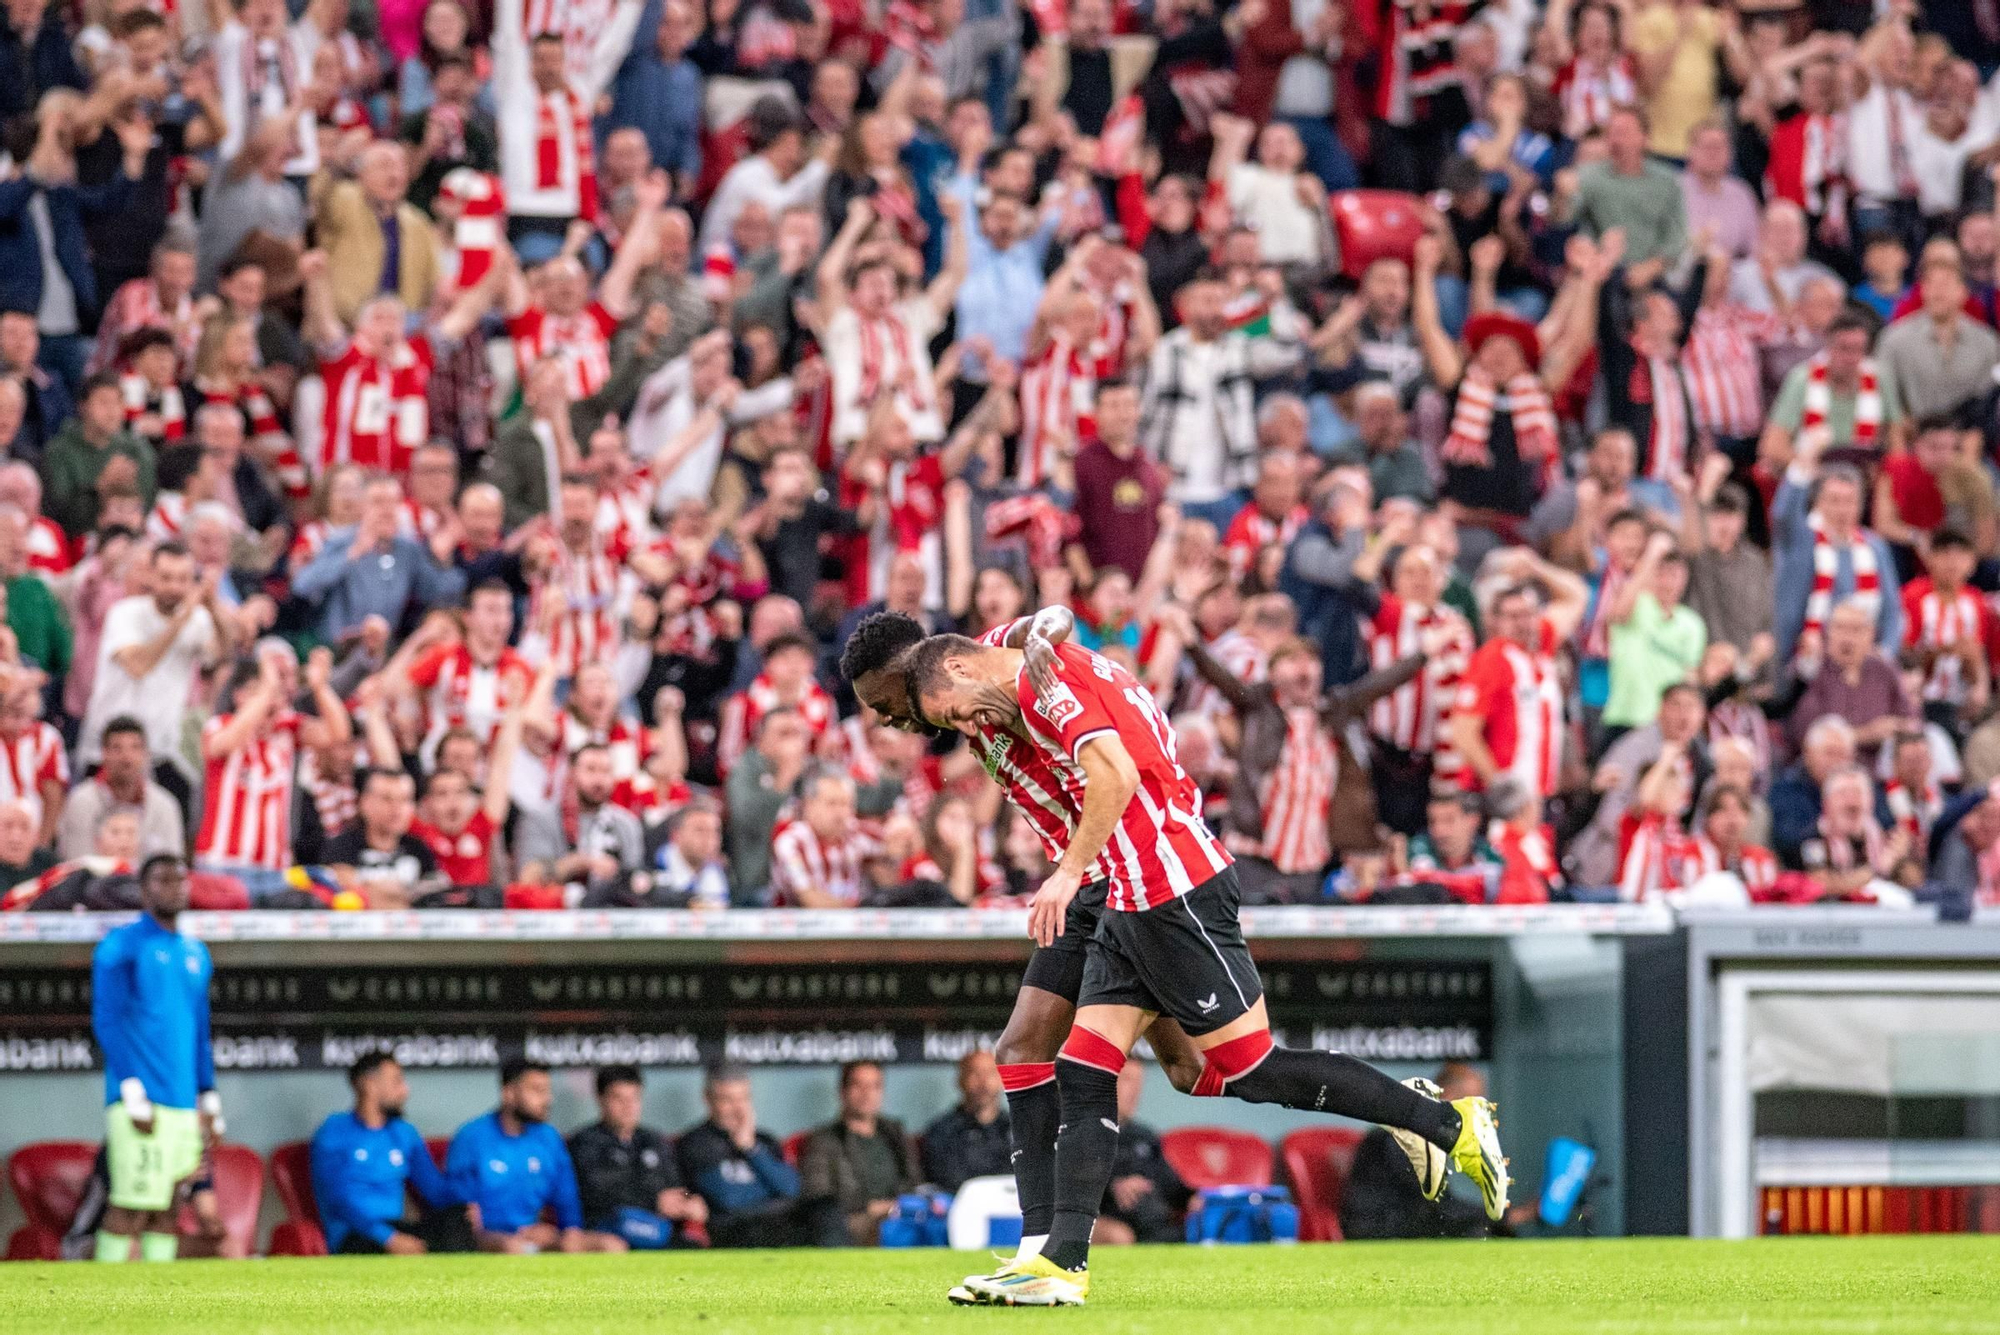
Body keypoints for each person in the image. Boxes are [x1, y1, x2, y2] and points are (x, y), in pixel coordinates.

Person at [903, 631, 1503, 1306]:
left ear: (958, 666)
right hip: (1129, 891)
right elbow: (1026, 632)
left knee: (1250, 1066)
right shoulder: (1034, 659)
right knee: (1090, 1064)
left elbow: (1117, 775)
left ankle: (1444, 1122)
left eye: (951, 710)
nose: (965, 726)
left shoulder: (1047, 692)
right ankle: (1060, 1263)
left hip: (1172, 886)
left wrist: (1066, 873)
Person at [89, 854, 219, 1264]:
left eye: (180, 879)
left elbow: (199, 1030)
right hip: (139, 1099)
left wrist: (209, 1097)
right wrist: (130, 1090)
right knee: (128, 1205)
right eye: (163, 881)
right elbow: (106, 1020)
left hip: (183, 1101)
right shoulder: (121, 946)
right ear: (145, 892)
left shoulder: (196, 953)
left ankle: (154, 1301)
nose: (175, 887)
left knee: (169, 1206)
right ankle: (99, 1297)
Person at [447, 1060, 624, 1254]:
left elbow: (566, 1197)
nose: (548, 1099)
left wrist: (568, 1231)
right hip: (490, 1238)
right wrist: (501, 1232)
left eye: (548, 1091)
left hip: (537, 1234)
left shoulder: (549, 1138)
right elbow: (461, 1207)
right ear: (509, 1094)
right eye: (537, 1090)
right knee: (512, 1248)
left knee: (611, 1246)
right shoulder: (472, 1137)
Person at [309, 1053, 472, 1254]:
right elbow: (338, 1201)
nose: (405, 1090)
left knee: (458, 1218)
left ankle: (456, 1282)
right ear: (369, 1085)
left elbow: (436, 1191)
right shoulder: (333, 1132)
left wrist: (467, 1205)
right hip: (356, 1234)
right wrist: (387, 1238)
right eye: (396, 1081)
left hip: (397, 1227)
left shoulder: (404, 1133)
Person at [1339, 1065, 1521, 1240]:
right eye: (1473, 1105)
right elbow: (1437, 1207)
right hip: (1378, 1231)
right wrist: (1503, 1217)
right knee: (1479, 1231)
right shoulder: (1403, 1135)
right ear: (1447, 1096)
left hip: (1408, 1224)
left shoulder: (1429, 1136)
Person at [677, 1064, 837, 1248]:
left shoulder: (764, 1141)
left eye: (743, 1099)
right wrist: (773, 1194)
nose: (737, 1109)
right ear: (708, 1098)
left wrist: (751, 1149)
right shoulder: (696, 1142)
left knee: (826, 1207)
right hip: (733, 1229)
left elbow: (792, 1188)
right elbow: (727, 1199)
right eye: (727, 1100)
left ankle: (841, 1272)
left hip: (780, 1222)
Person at [567, 1065, 709, 1250]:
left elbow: (677, 1185)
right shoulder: (586, 1143)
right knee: (626, 1222)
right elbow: (598, 1193)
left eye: (634, 1098)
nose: (628, 1107)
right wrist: (653, 1201)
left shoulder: (654, 1140)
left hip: (659, 1223)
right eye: (619, 1098)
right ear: (601, 1099)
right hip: (610, 1226)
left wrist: (689, 1200)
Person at [799, 1060, 921, 1246]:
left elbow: (915, 1180)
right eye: (858, 1085)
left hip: (901, 1214)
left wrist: (897, 1205)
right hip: (854, 1219)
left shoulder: (895, 1133)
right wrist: (870, 1208)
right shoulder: (824, 1139)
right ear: (842, 1091)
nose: (867, 1094)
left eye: (874, 1086)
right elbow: (817, 1194)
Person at [58, 715, 183, 861]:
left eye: (135, 748)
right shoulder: (81, 802)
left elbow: (170, 866)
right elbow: (77, 863)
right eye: (117, 748)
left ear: (146, 754)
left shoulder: (165, 806)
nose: (126, 757)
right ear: (104, 753)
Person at [1092, 1062, 1190, 1246]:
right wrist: (1114, 1185)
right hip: (1101, 1217)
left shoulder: (1144, 1135)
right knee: (1120, 1236)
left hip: (1151, 1220)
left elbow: (1174, 1186)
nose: (1135, 1090)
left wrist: (1195, 1198)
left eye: (1139, 1082)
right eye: (1127, 1080)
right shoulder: (1082, 1132)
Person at [920, 1051, 1012, 1193]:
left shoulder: (1018, 1129)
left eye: (990, 1073)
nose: (983, 1082)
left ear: (1002, 1079)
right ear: (960, 1080)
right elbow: (947, 1181)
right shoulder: (942, 1131)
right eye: (975, 1074)